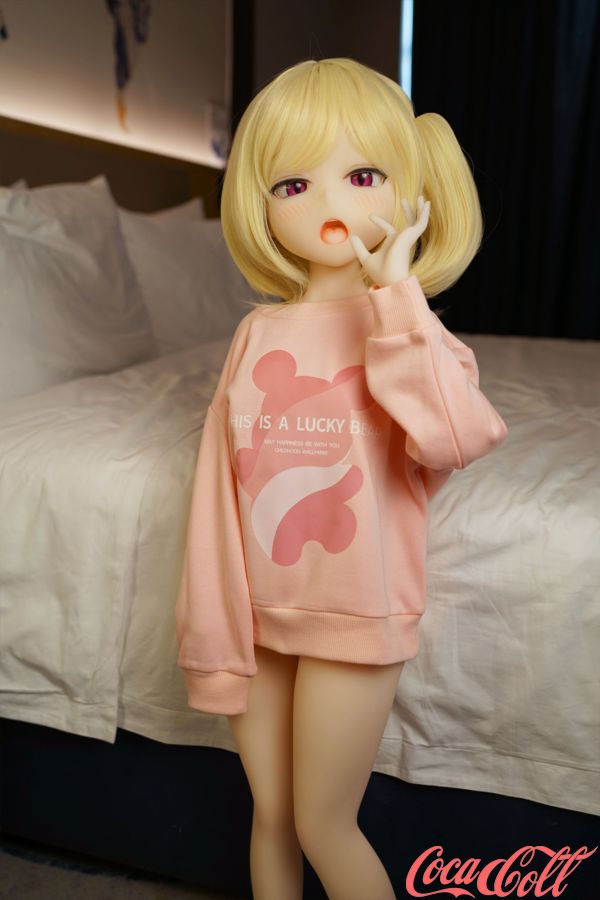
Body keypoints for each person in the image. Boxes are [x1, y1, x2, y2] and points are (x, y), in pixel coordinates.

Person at [175, 57, 509, 900]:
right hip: (257, 617)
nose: (328, 202)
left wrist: (397, 297)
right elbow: (217, 495)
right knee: (273, 817)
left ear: (410, 186)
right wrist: (215, 632)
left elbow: (456, 436)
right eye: (293, 183)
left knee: (325, 823)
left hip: (355, 614)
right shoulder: (256, 335)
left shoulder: (410, 329)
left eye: (362, 176)